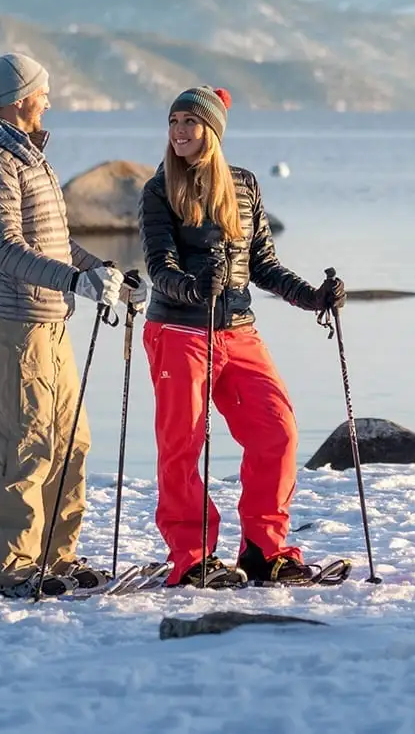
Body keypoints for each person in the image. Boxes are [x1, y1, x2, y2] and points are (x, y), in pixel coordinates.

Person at [0, 52, 148, 596]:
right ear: (21, 99)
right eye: (44, 92)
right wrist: (73, 281)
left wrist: (100, 271)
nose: (49, 101)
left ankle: (56, 559)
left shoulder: (27, 157)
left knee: (70, 442)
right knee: (24, 446)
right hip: (15, 326)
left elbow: (55, 239)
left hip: (51, 323)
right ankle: (12, 567)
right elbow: (5, 249)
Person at [139, 85, 346, 587]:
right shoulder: (158, 190)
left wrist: (313, 297)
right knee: (182, 444)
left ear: (212, 130)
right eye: (174, 122)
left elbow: (263, 266)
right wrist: (192, 287)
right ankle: (191, 556)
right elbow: (157, 267)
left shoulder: (244, 185)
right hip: (179, 331)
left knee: (277, 431)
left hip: (238, 331)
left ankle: (262, 549)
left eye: (191, 122)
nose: (180, 131)